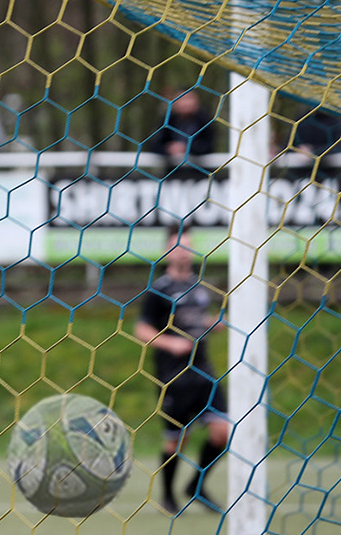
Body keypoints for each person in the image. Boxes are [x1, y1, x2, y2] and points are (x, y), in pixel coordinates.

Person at [134, 222, 228, 514]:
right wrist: (170, 343)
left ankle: (196, 486)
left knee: (222, 432)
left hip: (204, 373)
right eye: (177, 246)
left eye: (187, 246)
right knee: (177, 442)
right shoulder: (158, 290)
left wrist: (212, 324)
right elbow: (141, 329)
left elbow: (195, 322)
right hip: (173, 377)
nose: (182, 252)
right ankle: (168, 495)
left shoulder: (199, 287)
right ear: (166, 252)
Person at [149, 89, 217, 168]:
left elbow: (209, 145)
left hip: (199, 170)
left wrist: (187, 148)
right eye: (182, 99)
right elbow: (154, 145)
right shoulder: (167, 121)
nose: (186, 103)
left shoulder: (206, 121)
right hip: (173, 171)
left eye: (189, 98)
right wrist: (169, 148)